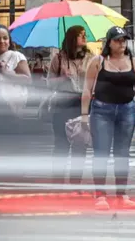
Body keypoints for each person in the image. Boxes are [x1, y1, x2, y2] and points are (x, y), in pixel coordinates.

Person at [81, 26, 135, 210]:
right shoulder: (98, 61)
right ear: (109, 42)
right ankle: (100, 194)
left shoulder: (134, 63)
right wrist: (84, 115)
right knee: (101, 152)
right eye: (117, 40)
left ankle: (121, 194)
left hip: (127, 111)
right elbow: (87, 90)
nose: (121, 43)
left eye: (124, 40)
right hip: (101, 111)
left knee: (122, 154)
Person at [47, 25, 94, 186]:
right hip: (62, 105)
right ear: (72, 38)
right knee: (61, 144)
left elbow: (96, 80)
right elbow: (48, 84)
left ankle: (76, 182)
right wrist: (62, 79)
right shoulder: (59, 58)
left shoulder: (91, 57)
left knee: (80, 145)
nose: (84, 37)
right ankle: (58, 181)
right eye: (81, 35)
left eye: (85, 34)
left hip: (82, 104)